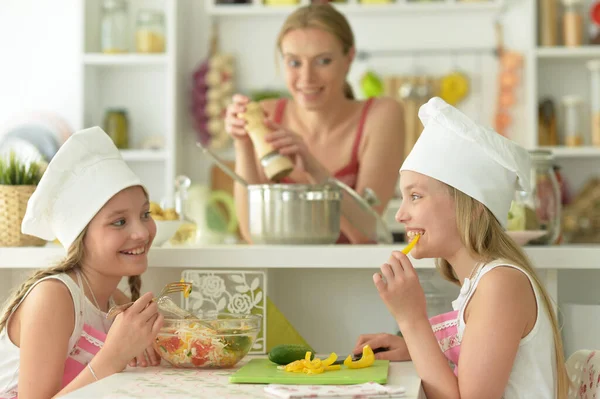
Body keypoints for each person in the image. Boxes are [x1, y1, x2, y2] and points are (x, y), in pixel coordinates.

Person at [354, 97, 568, 398]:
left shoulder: (501, 285)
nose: (400, 215)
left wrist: (411, 319)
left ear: (473, 205)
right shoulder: (483, 282)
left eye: (415, 196)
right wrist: (413, 347)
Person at [0, 126, 164, 399]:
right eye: (119, 221)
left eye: (145, 214)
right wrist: (115, 355)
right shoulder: (54, 297)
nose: (142, 232)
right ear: (80, 237)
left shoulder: (111, 301)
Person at [224, 3, 405, 244]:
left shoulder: (381, 116)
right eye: (294, 63)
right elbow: (252, 234)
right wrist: (243, 144)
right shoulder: (267, 115)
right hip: (283, 274)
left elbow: (366, 231)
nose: (307, 78)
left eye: (323, 61)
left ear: (349, 58)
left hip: (353, 275)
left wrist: (314, 169)